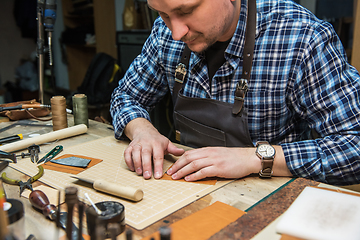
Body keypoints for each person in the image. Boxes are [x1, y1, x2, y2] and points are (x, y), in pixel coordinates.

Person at [110, 0, 360, 186]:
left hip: (267, 199)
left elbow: (354, 146)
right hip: (184, 187)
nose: (177, 32)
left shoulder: (302, 38)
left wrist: (256, 159)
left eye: (186, 11)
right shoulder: (165, 33)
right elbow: (126, 96)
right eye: (163, 14)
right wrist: (142, 130)